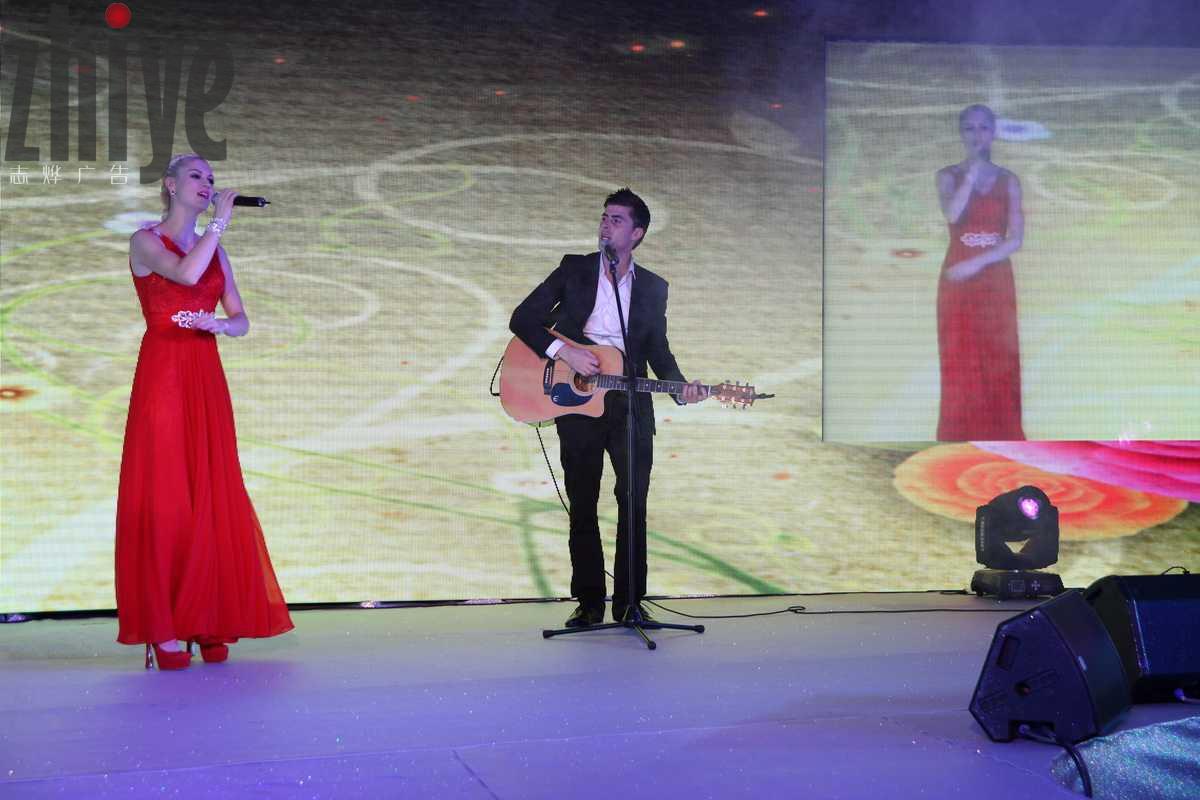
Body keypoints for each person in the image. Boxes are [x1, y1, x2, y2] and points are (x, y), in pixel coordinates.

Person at [115, 153, 293, 669]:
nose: (207, 182)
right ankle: (164, 626)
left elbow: (240, 317)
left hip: (204, 371)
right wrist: (218, 223)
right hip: (165, 373)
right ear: (171, 186)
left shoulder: (216, 248)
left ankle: (207, 615)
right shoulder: (146, 241)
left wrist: (222, 326)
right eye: (196, 175)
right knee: (168, 491)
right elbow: (185, 274)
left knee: (210, 489)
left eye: (211, 178)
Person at [510, 188, 708, 627]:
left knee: (633, 501)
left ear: (637, 234)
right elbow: (522, 318)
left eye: (617, 220)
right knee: (583, 501)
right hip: (577, 396)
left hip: (629, 402)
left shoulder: (652, 287)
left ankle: (630, 603)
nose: (605, 224)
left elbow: (658, 349)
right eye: (604, 217)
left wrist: (681, 388)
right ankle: (589, 602)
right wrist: (565, 352)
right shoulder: (574, 269)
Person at [935, 104, 1026, 441]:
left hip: (993, 279)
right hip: (957, 283)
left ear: (993, 133)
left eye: (984, 127)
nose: (977, 134)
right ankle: (959, 432)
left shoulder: (1009, 180)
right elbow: (953, 215)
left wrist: (976, 263)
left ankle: (1003, 433)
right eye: (970, 128)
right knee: (960, 354)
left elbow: (1015, 239)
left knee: (999, 353)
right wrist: (972, 173)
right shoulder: (947, 176)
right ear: (961, 134)